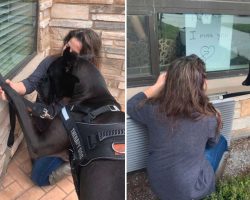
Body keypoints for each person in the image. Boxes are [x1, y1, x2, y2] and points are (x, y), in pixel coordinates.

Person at [0, 28, 102, 186]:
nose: (65, 51)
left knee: (39, 178)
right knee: (35, 154)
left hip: (63, 133)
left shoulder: (83, 85)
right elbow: (30, 83)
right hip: (43, 122)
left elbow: (53, 113)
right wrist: (13, 87)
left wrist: (17, 101)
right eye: (67, 45)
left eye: (72, 52)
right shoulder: (51, 61)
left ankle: (75, 162)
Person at [127, 54, 228, 200]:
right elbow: (212, 143)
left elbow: (131, 105)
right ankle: (211, 180)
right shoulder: (208, 117)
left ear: (168, 82)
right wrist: (218, 123)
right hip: (191, 190)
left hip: (159, 185)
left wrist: (155, 87)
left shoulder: (152, 109)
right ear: (202, 83)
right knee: (221, 141)